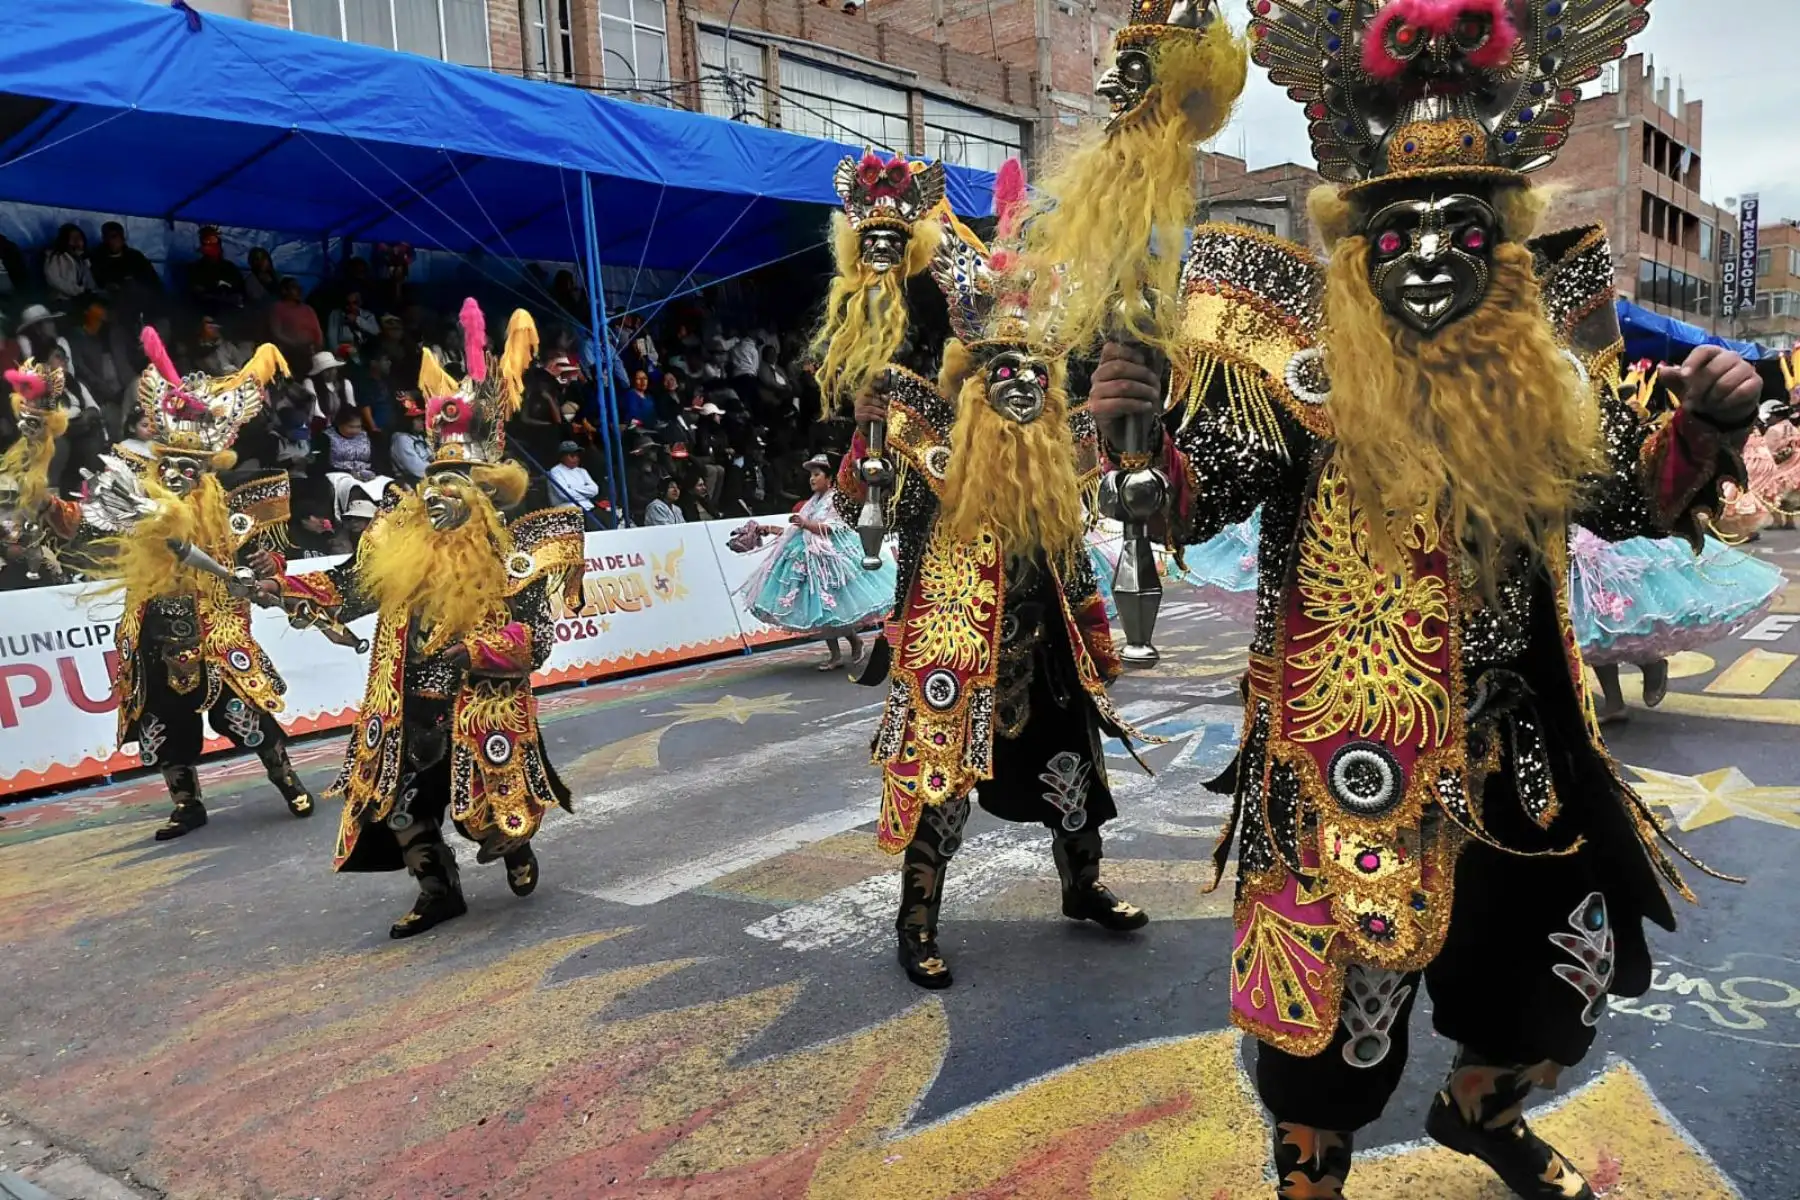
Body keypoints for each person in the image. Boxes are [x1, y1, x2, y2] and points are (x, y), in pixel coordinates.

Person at [1080, 4, 1773, 1193]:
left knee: (1557, 1000)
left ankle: (1481, 1118)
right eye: (1398, 234)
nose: (1431, 254)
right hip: (1346, 756)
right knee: (1322, 1048)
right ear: (1358, 254)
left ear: (1506, 248)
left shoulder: (1548, 381)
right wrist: (1142, 449)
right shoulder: (1298, 381)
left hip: (1522, 756)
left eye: (1463, 227)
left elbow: (1633, 492)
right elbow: (1195, 502)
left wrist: (1705, 420)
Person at [828, 153, 1152, 993]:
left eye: (1035, 378)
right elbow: (858, 511)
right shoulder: (924, 443)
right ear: (971, 385)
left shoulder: (1060, 453)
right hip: (955, 648)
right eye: (1002, 374)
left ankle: (1082, 887)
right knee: (938, 792)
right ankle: (917, 923)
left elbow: (1083, 532)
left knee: (1078, 777)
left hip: (1047, 651)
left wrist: (1094, 621)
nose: (1020, 389)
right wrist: (862, 447)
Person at [280, 303, 584, 938]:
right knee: (396, 810)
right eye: (436, 481)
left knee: (492, 816)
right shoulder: (398, 549)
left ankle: (515, 848)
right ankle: (438, 890)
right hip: (404, 709)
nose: (440, 495)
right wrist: (277, 582)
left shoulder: (515, 560)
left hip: (478, 707)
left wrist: (470, 653)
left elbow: (536, 640)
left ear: (486, 494)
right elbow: (347, 589)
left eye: (460, 483)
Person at [34, 332, 310, 839]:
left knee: (246, 713)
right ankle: (186, 803)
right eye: (170, 467)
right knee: (162, 723)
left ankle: (287, 779)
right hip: (155, 625)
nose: (179, 475)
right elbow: (87, 524)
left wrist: (265, 579)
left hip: (216, 628)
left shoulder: (234, 506)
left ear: (207, 471)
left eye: (191, 468)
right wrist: (52, 507)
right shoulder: (136, 501)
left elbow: (263, 557)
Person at [739, 453, 895, 670]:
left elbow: (833, 528)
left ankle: (853, 643)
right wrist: (770, 529)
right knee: (821, 609)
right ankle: (837, 654)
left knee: (834, 606)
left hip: (831, 558)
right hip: (809, 559)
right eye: (811, 475)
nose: (812, 479)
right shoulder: (810, 504)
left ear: (829, 478)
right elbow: (794, 530)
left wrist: (806, 524)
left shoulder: (835, 500)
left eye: (817, 474)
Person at [91, 222, 161, 299]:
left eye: (114, 236)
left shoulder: (135, 257)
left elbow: (153, 282)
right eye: (106, 237)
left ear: (122, 238)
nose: (110, 240)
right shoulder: (96, 257)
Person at [187, 226, 245, 312]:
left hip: (231, 315)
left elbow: (240, 295)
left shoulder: (230, 267)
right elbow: (198, 295)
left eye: (213, 239)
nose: (210, 244)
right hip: (204, 314)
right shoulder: (196, 269)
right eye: (206, 241)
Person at [269, 277, 324, 364]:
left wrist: (318, 347)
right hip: (290, 352)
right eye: (294, 287)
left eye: (299, 287)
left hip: (310, 350)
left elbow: (317, 331)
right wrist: (294, 344)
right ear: (284, 290)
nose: (299, 290)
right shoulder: (278, 308)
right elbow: (276, 332)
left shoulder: (307, 309)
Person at [43, 224, 96, 304]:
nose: (77, 241)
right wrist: (80, 291)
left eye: (79, 237)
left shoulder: (83, 260)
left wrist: (92, 292)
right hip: (61, 301)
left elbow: (90, 282)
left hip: (80, 300)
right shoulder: (55, 258)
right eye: (73, 238)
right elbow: (55, 281)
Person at [549, 439, 600, 513]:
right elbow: (565, 495)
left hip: (589, 507)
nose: (576, 458)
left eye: (577, 455)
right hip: (567, 509)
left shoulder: (582, 471)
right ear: (562, 457)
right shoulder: (555, 471)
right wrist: (586, 494)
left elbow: (595, 490)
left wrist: (572, 488)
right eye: (572, 456)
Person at [303, 350, 355, 425]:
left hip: (342, 424)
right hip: (319, 425)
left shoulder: (345, 383)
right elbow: (316, 411)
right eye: (327, 370)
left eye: (333, 369)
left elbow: (351, 407)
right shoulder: (309, 383)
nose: (332, 372)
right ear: (319, 373)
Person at [324, 407, 375, 481]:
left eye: (358, 427)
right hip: (339, 475)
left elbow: (374, 461)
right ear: (340, 424)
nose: (355, 431)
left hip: (366, 474)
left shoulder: (365, 436)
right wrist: (349, 473)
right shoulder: (326, 437)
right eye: (351, 427)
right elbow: (323, 465)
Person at [328, 289, 380, 359]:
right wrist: (338, 354)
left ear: (360, 303)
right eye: (348, 303)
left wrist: (357, 320)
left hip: (364, 354)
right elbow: (332, 338)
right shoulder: (336, 315)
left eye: (355, 303)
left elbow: (376, 331)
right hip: (344, 354)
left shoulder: (367, 315)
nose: (351, 306)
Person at [389, 409, 430, 483]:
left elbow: (431, 456)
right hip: (411, 482)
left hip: (427, 476)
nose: (422, 422)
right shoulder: (401, 440)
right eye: (418, 420)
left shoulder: (419, 436)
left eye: (422, 419)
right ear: (408, 422)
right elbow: (418, 469)